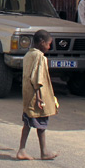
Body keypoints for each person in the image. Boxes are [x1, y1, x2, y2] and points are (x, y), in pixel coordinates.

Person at [17, 29, 59, 161]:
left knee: (28, 122)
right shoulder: (40, 57)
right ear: (41, 43)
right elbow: (38, 79)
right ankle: (44, 151)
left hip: (28, 94)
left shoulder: (28, 55)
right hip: (37, 96)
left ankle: (22, 150)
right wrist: (40, 99)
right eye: (48, 44)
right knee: (41, 124)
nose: (49, 47)